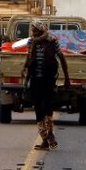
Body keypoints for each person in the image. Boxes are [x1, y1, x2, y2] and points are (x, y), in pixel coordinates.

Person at [21, 21, 70, 150]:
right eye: (33, 31)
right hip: (35, 81)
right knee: (38, 109)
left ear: (42, 31)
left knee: (47, 107)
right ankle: (44, 139)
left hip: (48, 81)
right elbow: (29, 58)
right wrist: (25, 71)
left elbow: (62, 59)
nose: (34, 33)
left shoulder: (52, 41)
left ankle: (51, 134)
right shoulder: (31, 43)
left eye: (36, 31)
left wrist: (67, 78)